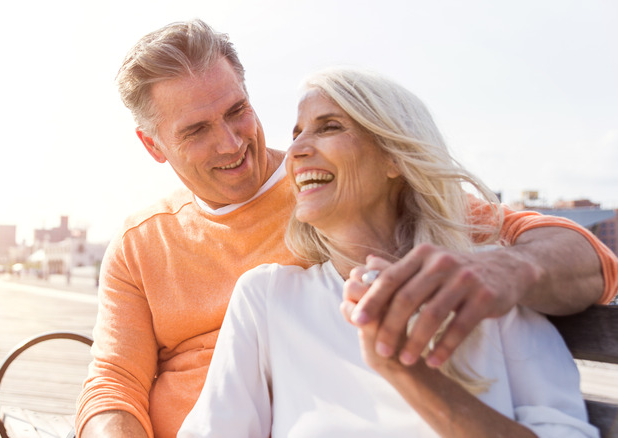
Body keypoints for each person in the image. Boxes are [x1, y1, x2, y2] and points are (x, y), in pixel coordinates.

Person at [77, 19, 617, 438]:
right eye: (196, 130)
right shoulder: (151, 247)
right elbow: (113, 383)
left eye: (237, 110)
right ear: (153, 146)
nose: (232, 143)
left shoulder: (341, 186)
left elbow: (567, 253)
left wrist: (508, 271)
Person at [178, 67, 598, 437]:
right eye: (296, 133)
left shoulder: (488, 287)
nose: (296, 150)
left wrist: (408, 374)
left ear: (394, 158)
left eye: (328, 127)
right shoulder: (267, 298)